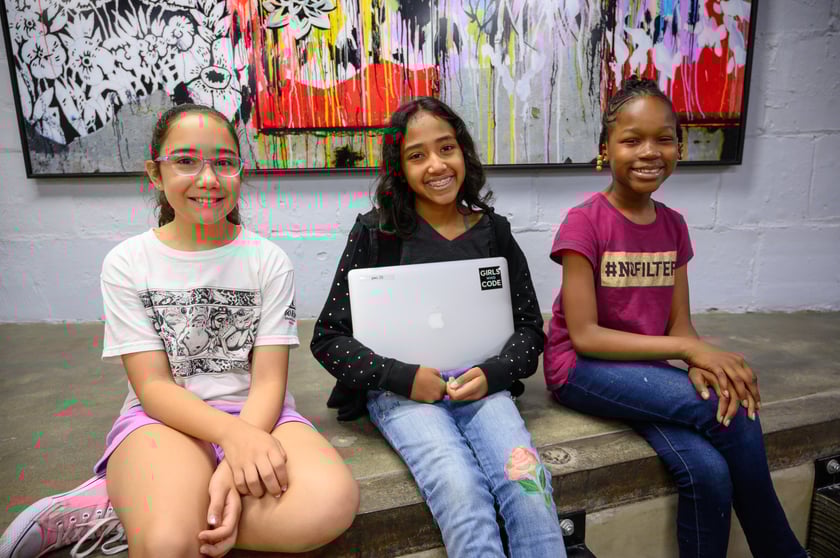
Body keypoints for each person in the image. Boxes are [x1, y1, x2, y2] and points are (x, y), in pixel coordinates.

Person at [1, 104, 358, 558]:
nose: (208, 179)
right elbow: (152, 386)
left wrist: (232, 466)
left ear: (240, 171)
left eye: (224, 162)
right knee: (168, 545)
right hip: (165, 419)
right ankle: (145, 503)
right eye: (186, 161)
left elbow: (269, 381)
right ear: (156, 173)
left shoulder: (268, 261)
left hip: (258, 417)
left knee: (329, 504)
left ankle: (152, 505)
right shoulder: (128, 263)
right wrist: (232, 441)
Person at [545, 77, 806, 558]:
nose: (649, 152)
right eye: (632, 140)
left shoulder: (673, 225)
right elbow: (583, 335)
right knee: (730, 414)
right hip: (581, 369)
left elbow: (678, 324)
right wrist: (689, 351)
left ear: (679, 148)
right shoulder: (584, 223)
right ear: (605, 149)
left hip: (645, 368)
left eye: (664, 139)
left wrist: (698, 360)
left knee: (708, 471)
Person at [311, 97, 567, 558]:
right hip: (402, 393)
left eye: (446, 148)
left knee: (528, 485)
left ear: (463, 152)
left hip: (482, 386)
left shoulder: (494, 232)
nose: (436, 165)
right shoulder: (376, 233)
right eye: (417, 155)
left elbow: (530, 328)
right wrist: (400, 377)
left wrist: (495, 372)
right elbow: (329, 336)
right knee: (459, 488)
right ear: (399, 169)